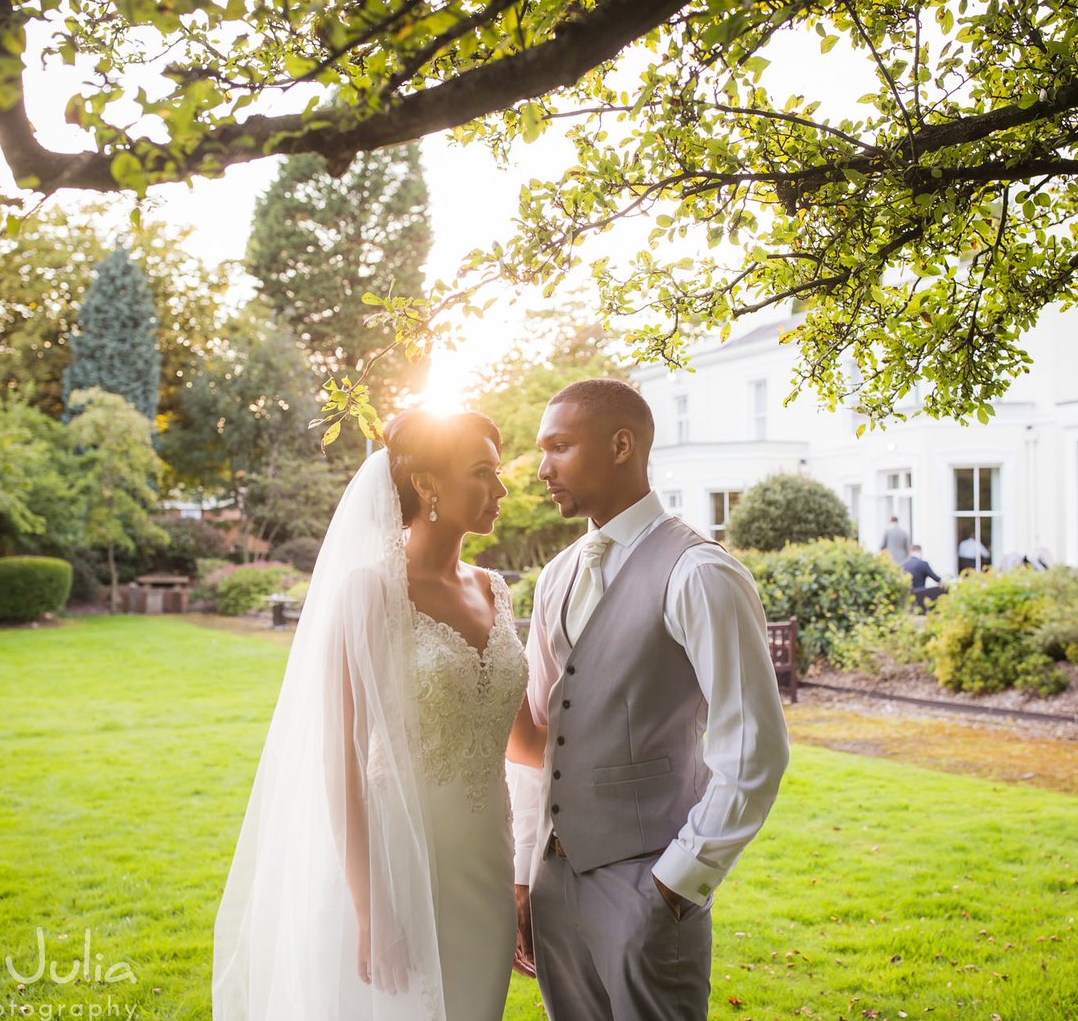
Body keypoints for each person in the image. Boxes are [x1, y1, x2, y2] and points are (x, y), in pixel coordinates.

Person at [212, 410, 545, 1021]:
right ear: (426, 485)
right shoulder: (369, 593)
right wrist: (372, 910)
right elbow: (339, 762)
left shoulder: (495, 590)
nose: (501, 491)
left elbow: (523, 740)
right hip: (400, 868)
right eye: (482, 473)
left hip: (487, 868)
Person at [510, 379, 790, 1021]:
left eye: (558, 447)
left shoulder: (701, 573)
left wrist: (678, 880)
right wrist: (528, 873)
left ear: (620, 445)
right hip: (556, 885)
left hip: (650, 884)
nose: (543, 468)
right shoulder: (556, 576)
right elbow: (544, 736)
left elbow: (754, 751)